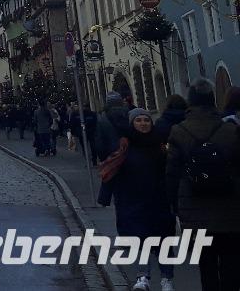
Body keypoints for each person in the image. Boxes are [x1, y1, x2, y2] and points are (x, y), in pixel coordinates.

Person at [165, 80, 240, 291]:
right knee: (231, 265)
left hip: (193, 208)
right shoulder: (230, 130)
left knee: (206, 267)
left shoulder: (178, 131)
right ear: (213, 100)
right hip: (230, 208)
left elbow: (171, 173)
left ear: (191, 102)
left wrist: (174, 206)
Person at [99, 108, 177, 291]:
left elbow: (171, 172)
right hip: (133, 202)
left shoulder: (160, 145)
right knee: (140, 242)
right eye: (139, 120)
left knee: (163, 243)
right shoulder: (125, 145)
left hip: (159, 201)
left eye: (146, 120)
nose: (143, 123)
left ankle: (167, 279)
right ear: (132, 123)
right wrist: (105, 196)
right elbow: (112, 170)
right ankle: (143, 277)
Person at [96, 92, 132, 160]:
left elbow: (99, 143)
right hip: (130, 154)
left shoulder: (102, 118)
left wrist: (103, 158)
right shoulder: (130, 114)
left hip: (112, 156)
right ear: (120, 101)